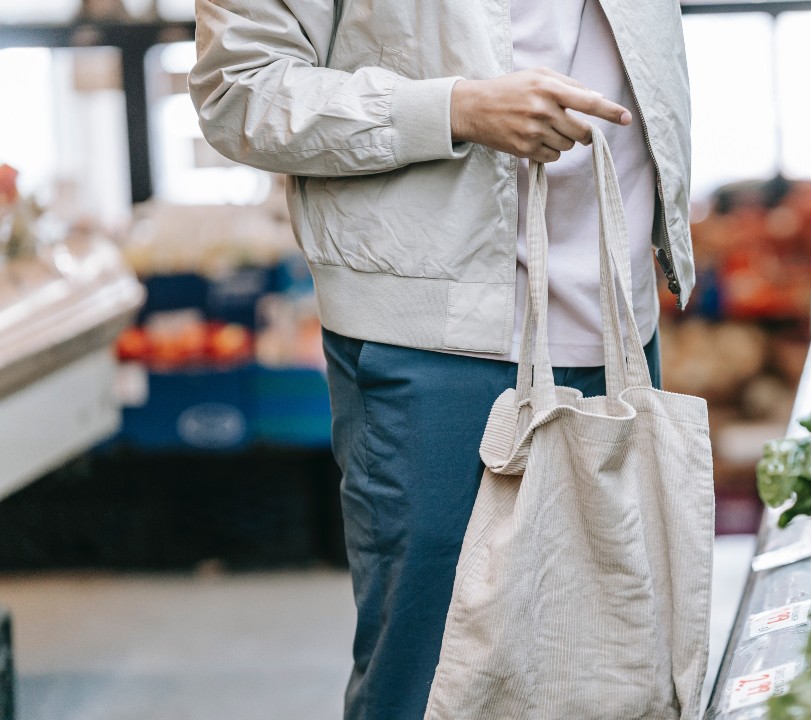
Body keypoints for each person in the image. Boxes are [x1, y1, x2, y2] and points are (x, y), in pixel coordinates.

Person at [188, 1, 695, 718]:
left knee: (610, 675)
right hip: (434, 337)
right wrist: (452, 109)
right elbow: (238, 87)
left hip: (617, 318)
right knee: (427, 683)